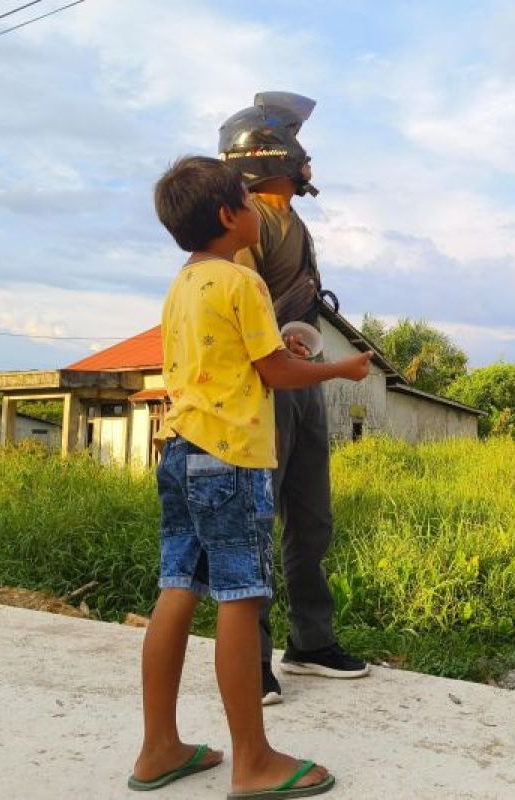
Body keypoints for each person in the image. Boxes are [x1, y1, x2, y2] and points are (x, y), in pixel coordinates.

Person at [129, 155, 371, 797]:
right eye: (246, 197)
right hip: (230, 459)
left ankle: (158, 748)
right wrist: (339, 370)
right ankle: (254, 761)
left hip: (181, 452)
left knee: (177, 588)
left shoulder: (183, 284)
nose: (257, 211)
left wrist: (280, 354)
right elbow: (276, 375)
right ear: (229, 216)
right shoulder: (244, 282)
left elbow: (239, 356)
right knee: (241, 599)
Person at [219, 92, 369, 707]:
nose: (309, 160)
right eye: (298, 146)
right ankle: (250, 663)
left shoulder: (294, 220)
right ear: (269, 153)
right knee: (257, 519)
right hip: (263, 386)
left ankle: (310, 642)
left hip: (301, 380)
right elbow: (241, 305)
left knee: (312, 518)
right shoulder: (245, 216)